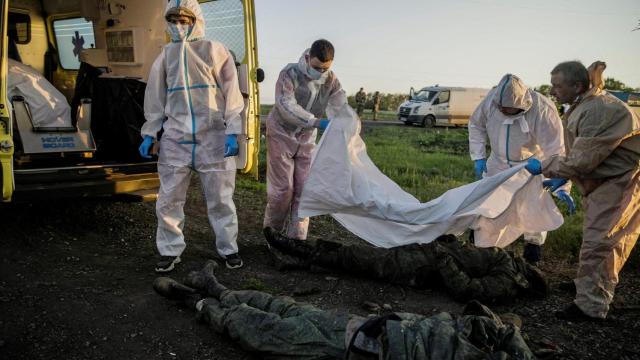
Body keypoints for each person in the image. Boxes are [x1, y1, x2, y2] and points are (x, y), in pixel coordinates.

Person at [153, 261, 536, 359]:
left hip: (364, 347)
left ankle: (195, 299)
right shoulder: (499, 337)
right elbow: (494, 321)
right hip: (373, 327)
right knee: (284, 309)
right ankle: (216, 286)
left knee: (263, 332)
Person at [525, 61, 640, 321]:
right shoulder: (585, 104)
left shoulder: (599, 109)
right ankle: (588, 286)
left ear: (576, 85)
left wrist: (545, 166)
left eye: (557, 85)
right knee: (598, 239)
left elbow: (582, 160)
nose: (552, 90)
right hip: (605, 182)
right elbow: (581, 151)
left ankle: (590, 307)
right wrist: (565, 175)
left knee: (601, 243)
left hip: (619, 183)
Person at [139, 0, 245, 272]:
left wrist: (234, 130)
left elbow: (232, 93)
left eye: (184, 20)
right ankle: (169, 250)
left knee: (221, 199)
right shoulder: (166, 55)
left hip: (213, 137)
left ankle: (228, 248)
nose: (178, 25)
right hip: (176, 137)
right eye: (173, 20)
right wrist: (150, 132)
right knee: (169, 199)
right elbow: (155, 97)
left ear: (196, 19)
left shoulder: (214, 49)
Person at [264, 227, 547, 304]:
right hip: (426, 254)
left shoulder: (508, 281)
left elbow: (466, 289)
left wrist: (443, 256)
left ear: (530, 282)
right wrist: (449, 244)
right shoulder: (510, 264)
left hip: (418, 266)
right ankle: (300, 257)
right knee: (361, 256)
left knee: (357, 257)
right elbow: (472, 260)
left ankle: (295, 249)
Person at [468, 74, 575, 264]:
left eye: (509, 110)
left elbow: (556, 149)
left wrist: (562, 182)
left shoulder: (543, 108)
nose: (504, 111)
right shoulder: (490, 102)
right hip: (498, 163)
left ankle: (533, 245)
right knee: (489, 203)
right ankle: (484, 244)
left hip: (532, 165)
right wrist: (478, 157)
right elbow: (476, 125)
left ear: (521, 105)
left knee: (534, 204)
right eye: (502, 109)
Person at [263, 39, 347, 240]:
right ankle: (273, 235)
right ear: (308, 58)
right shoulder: (290, 73)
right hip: (282, 134)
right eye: (317, 67)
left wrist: (348, 124)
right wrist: (316, 121)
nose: (321, 73)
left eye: (325, 69)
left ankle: (297, 239)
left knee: (304, 190)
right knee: (283, 190)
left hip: (307, 138)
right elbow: (285, 105)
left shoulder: (331, 80)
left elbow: (340, 105)